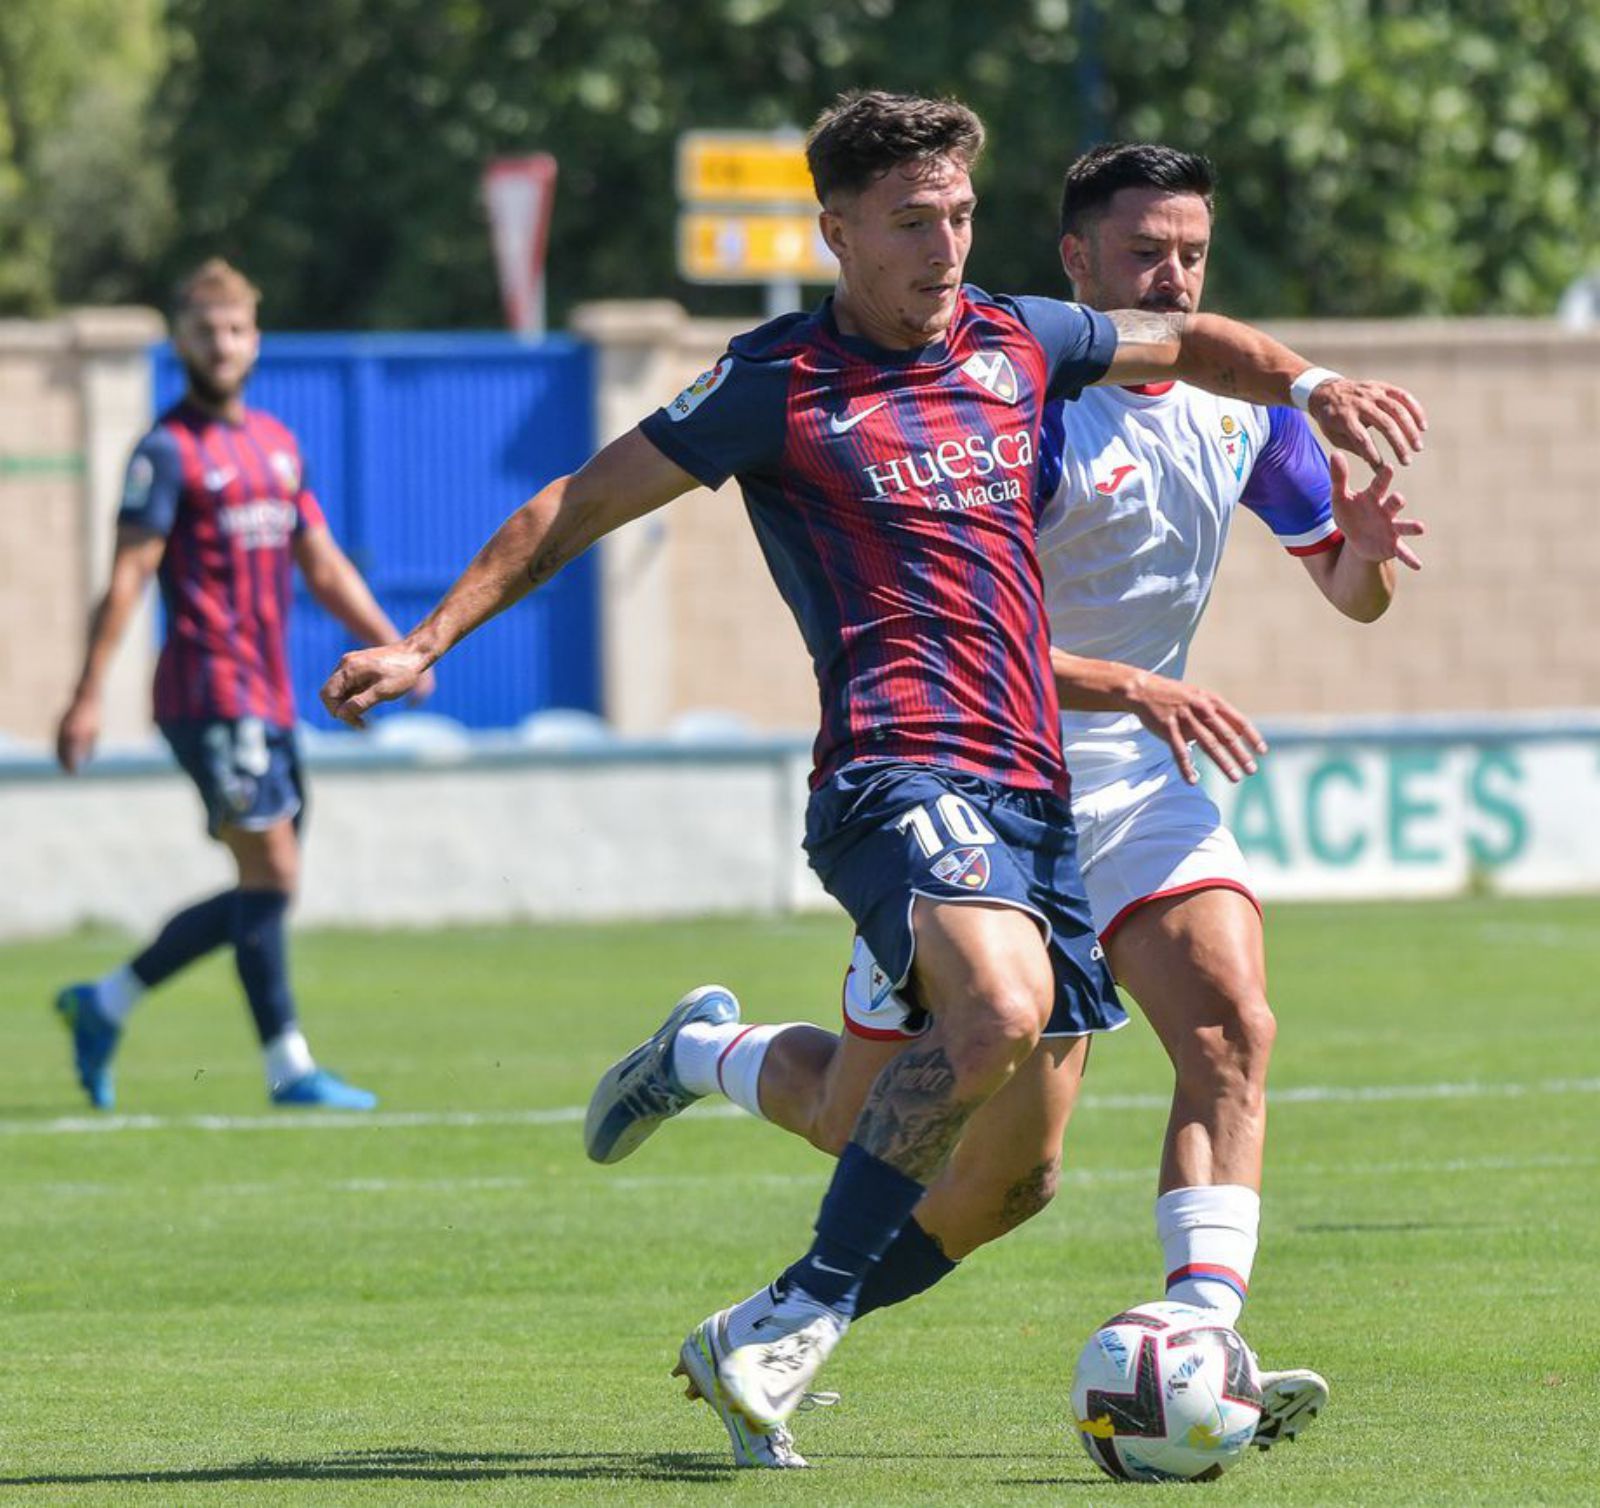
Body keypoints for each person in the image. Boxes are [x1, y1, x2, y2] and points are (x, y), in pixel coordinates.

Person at [321, 92, 1423, 1465]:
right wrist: (425, 640)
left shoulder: (1028, 343)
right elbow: (577, 503)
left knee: (998, 1179)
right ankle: (799, 1309)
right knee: (1001, 1008)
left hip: (1041, 799)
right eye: (912, 224)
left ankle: (713, 1088)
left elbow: (1195, 344)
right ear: (836, 231)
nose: (946, 247)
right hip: (898, 773)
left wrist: (1315, 386)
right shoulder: (772, 384)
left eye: (960, 215)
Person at [53, 258, 432, 1112]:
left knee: (272, 883)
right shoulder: (164, 452)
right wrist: (84, 696)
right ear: (180, 339)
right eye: (204, 329)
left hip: (269, 698)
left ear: (253, 338)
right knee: (272, 869)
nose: (220, 344)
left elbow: (324, 565)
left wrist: (398, 646)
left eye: (233, 329)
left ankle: (103, 1003)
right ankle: (288, 1068)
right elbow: (125, 579)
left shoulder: (275, 446)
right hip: (206, 694)